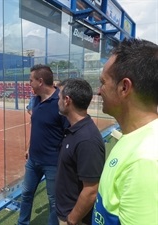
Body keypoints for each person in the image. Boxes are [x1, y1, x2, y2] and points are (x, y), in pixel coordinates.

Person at [93, 38, 158, 225]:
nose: (99, 91)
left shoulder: (145, 159)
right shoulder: (135, 138)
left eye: (102, 82)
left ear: (124, 87)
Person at [17, 64, 69, 225]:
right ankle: (22, 223)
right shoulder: (35, 100)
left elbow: (69, 133)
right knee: (26, 194)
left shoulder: (61, 101)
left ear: (40, 81)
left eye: (30, 80)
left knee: (54, 201)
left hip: (53, 163)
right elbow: (35, 125)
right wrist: (28, 147)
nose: (29, 83)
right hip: (33, 160)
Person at [55, 78, 105, 225]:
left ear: (67, 100)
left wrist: (72, 219)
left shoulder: (86, 140)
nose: (57, 101)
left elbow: (91, 191)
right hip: (65, 212)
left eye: (59, 97)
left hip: (73, 218)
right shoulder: (75, 130)